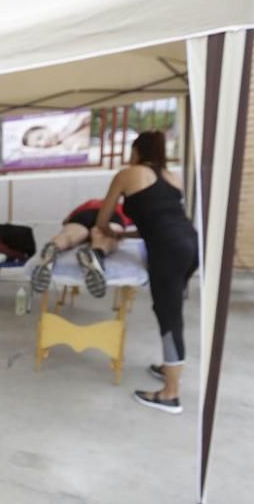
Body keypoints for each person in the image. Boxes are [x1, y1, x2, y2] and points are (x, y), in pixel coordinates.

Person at [95, 131, 198, 414]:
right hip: (191, 244)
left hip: (168, 250)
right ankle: (169, 367)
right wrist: (129, 234)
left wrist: (108, 232)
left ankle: (170, 394)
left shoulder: (128, 174)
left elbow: (103, 218)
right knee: (170, 307)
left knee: (168, 315)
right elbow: (164, 220)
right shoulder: (171, 177)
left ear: (137, 151)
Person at [30, 198, 131, 298]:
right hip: (112, 214)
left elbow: (66, 221)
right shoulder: (124, 207)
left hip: (85, 214)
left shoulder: (91, 202)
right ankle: (97, 253)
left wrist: (83, 237)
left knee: (69, 235)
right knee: (108, 236)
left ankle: (54, 246)